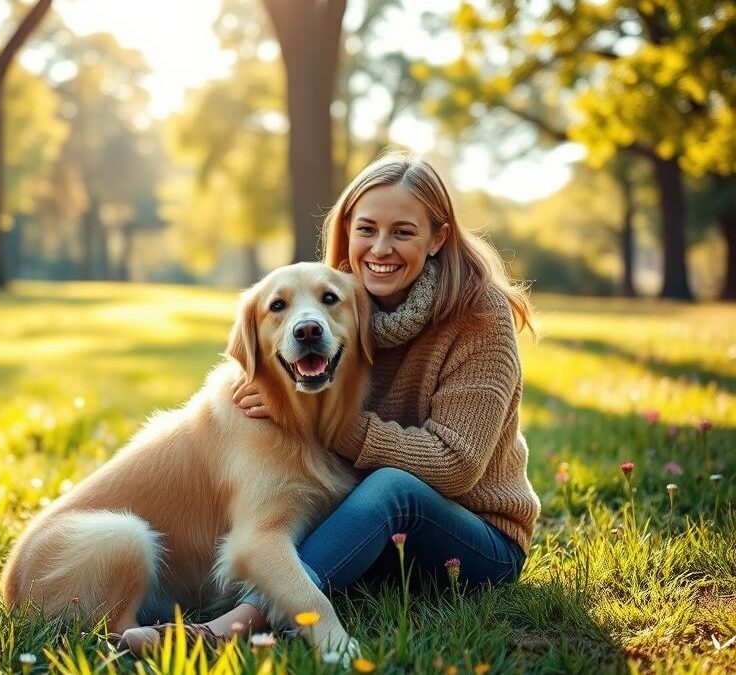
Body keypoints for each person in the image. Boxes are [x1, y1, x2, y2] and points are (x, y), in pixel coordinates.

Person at [120, 153, 541, 653]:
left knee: (392, 488)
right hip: (373, 528)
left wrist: (332, 427)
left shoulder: (478, 314)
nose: (380, 248)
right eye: (367, 229)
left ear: (437, 238)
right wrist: (270, 393)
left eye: (403, 232)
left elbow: (456, 465)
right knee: (294, 505)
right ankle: (260, 592)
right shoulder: (335, 300)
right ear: (346, 231)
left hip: (476, 539)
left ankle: (234, 625)